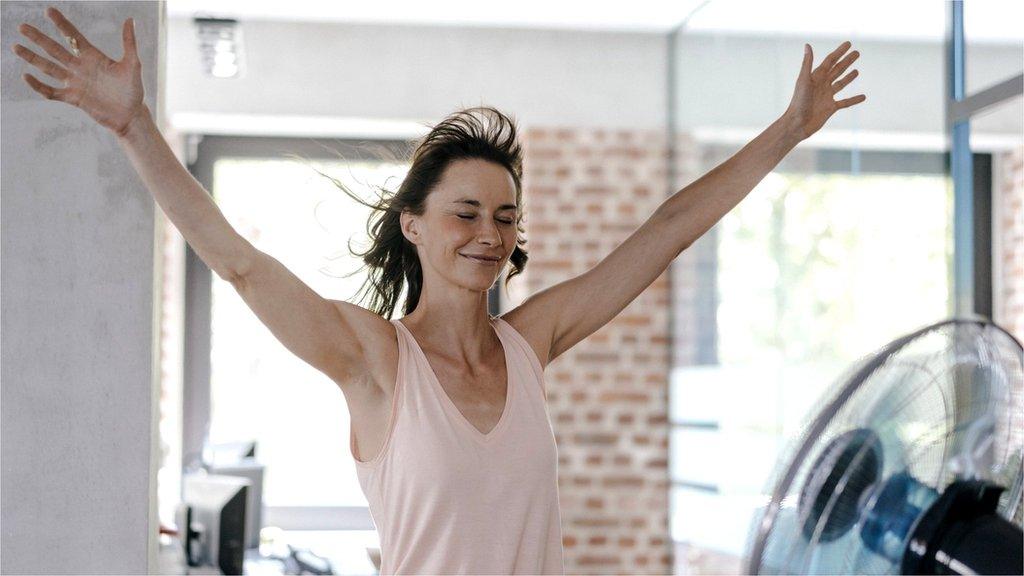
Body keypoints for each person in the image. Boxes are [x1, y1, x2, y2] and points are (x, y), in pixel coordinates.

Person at [11, 7, 865, 575]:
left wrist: (787, 130)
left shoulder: (535, 342)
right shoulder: (377, 361)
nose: (489, 234)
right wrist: (133, 126)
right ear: (413, 223)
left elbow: (668, 230)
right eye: (465, 213)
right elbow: (239, 262)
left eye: (505, 216)